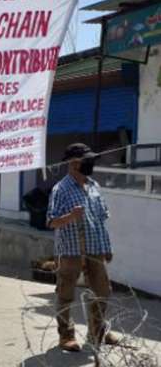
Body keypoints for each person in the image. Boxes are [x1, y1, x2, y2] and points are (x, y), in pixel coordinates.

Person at [47, 143, 120, 352]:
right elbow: (51, 222)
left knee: (102, 291)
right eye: (86, 160)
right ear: (73, 163)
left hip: (95, 249)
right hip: (70, 251)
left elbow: (100, 220)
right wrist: (70, 217)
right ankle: (66, 336)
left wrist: (107, 247)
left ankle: (97, 332)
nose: (91, 163)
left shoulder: (93, 185)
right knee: (65, 293)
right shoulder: (61, 189)